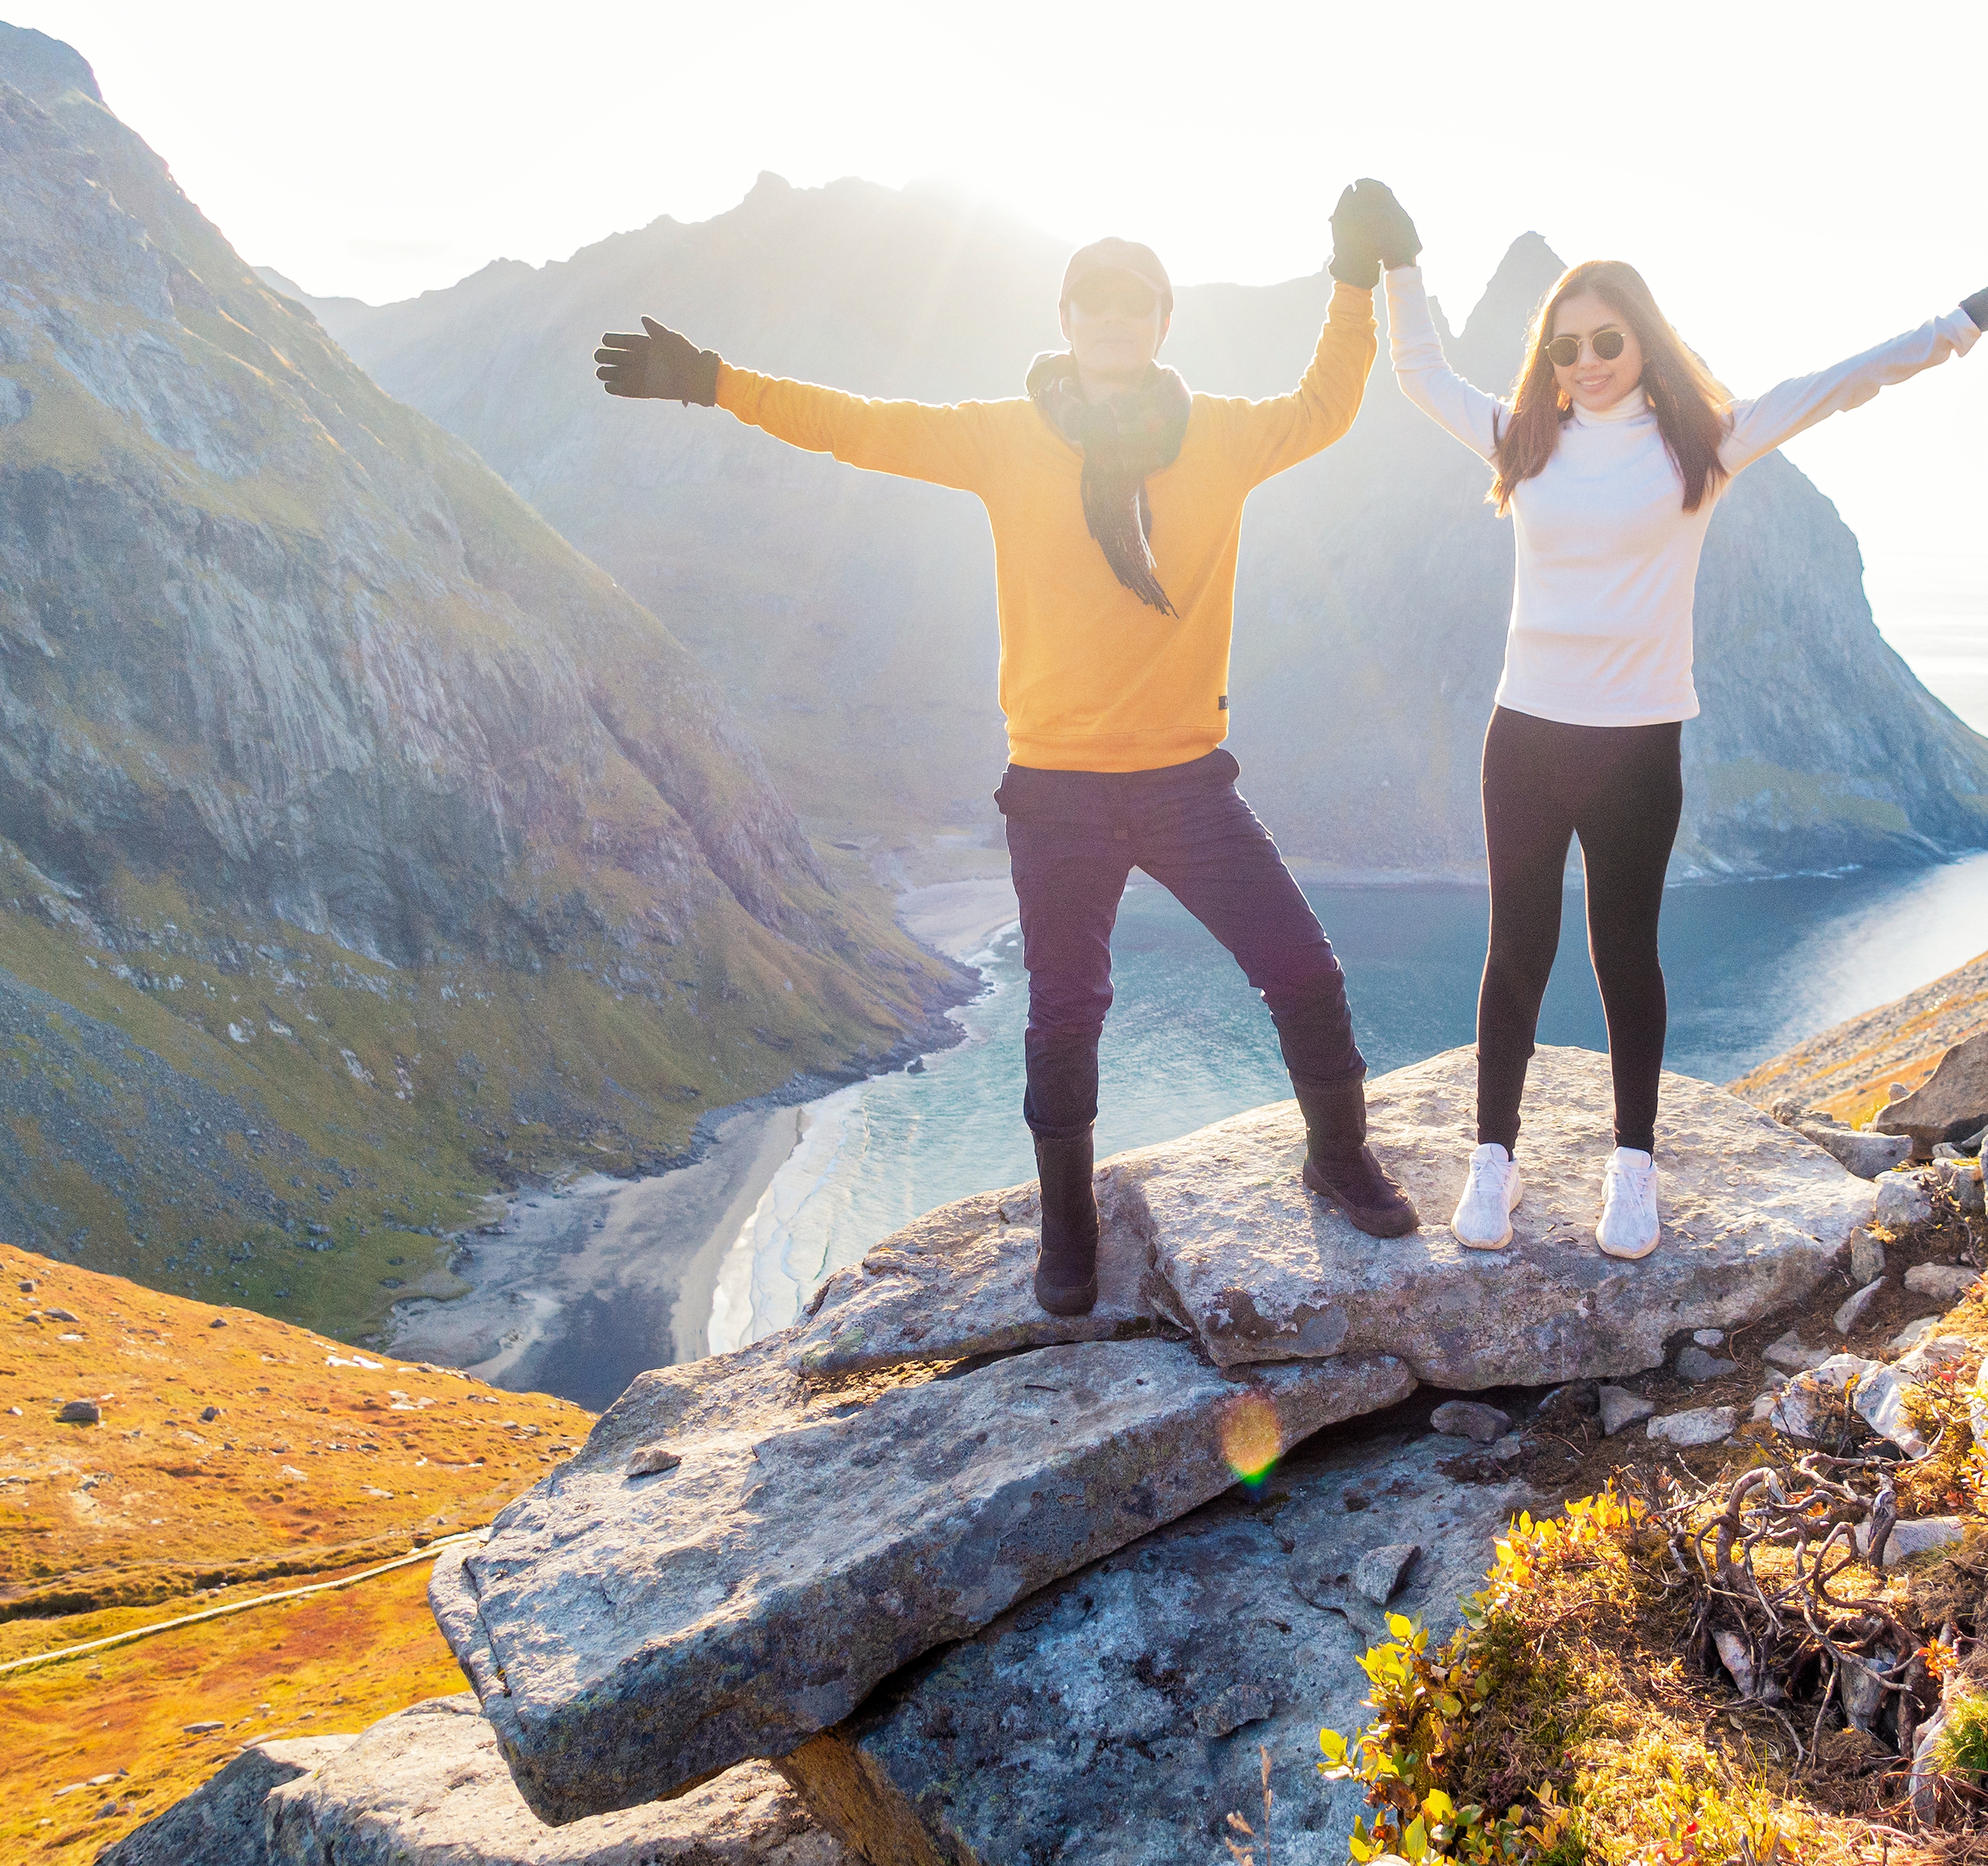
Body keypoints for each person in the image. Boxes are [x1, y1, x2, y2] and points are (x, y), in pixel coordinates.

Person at [592, 184, 1422, 1319]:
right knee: (1065, 1015)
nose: (1114, 320)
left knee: (1305, 970)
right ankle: (1069, 1225)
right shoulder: (1005, 437)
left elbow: (1326, 404)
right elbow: (860, 425)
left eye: (1135, 304)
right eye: (1094, 302)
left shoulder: (1221, 438)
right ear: (1067, 319)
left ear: (1162, 323)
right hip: (1058, 790)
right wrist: (717, 383)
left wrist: (1352, 277)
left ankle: (1338, 1157)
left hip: (1186, 781)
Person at [1355, 182, 1988, 1260]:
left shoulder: (1702, 443)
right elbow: (1419, 373)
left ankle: (1633, 1167)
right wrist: (1402, 261)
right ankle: (1493, 1159)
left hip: (1638, 747)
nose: (1587, 362)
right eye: (1566, 347)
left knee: (1626, 959)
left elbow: (1843, 383)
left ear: (1643, 340)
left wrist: (1976, 316)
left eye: (1607, 340)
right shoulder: (1523, 442)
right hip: (1527, 737)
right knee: (1516, 955)